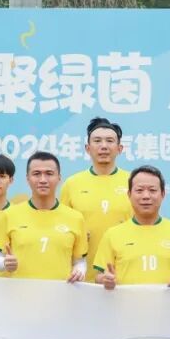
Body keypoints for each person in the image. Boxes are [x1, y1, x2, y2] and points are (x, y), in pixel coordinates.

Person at [94, 166, 170, 288]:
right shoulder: (112, 234)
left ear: (163, 194)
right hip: (125, 301)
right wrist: (105, 279)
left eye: (152, 190)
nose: (146, 196)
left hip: (168, 301)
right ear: (129, 194)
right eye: (139, 190)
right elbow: (99, 276)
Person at [0, 151, 88, 281]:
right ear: (28, 178)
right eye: (36, 174)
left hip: (60, 292)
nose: (43, 180)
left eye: (49, 174)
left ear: (59, 178)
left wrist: (79, 272)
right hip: (21, 292)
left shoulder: (75, 218)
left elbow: (80, 262)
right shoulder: (10, 214)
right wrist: (4, 263)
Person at [60, 117, 132, 282]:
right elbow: (61, 226)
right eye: (97, 141)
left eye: (110, 141)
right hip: (81, 277)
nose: (104, 146)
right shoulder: (72, 184)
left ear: (120, 148)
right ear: (87, 148)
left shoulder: (134, 182)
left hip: (124, 274)